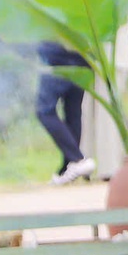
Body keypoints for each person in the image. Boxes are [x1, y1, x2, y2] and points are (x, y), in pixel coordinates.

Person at [35, 42, 93, 185]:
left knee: (44, 111)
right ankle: (68, 168)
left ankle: (77, 159)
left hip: (58, 58)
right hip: (82, 57)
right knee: (73, 112)